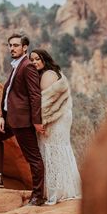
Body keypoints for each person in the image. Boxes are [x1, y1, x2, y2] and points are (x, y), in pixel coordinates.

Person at [0, 33, 45, 206]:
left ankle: (37, 196)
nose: (12, 48)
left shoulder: (27, 66)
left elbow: (35, 96)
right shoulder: (16, 66)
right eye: (10, 45)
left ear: (25, 47)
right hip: (11, 119)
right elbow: (9, 94)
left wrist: (36, 121)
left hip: (23, 121)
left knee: (33, 158)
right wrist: (2, 116)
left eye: (15, 45)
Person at [29, 49, 81, 205]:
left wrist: (39, 122)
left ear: (44, 59)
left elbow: (45, 103)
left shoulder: (47, 75)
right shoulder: (54, 72)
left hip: (55, 117)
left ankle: (56, 192)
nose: (34, 62)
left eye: (37, 59)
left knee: (52, 149)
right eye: (31, 60)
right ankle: (64, 189)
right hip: (62, 115)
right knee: (60, 149)